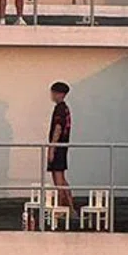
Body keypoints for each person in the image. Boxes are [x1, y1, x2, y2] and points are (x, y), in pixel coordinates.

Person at [47, 81, 75, 214]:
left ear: (59, 94)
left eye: (53, 93)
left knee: (58, 178)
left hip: (58, 147)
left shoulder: (60, 109)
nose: (52, 95)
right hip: (62, 146)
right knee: (62, 179)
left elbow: (58, 128)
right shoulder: (65, 108)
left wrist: (52, 148)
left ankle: (62, 207)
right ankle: (70, 207)